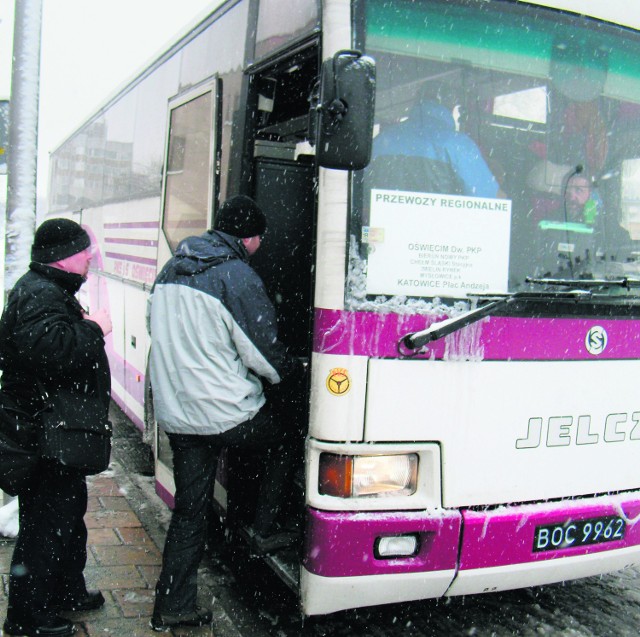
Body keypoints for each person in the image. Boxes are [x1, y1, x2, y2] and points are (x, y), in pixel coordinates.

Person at [147, 195, 305, 632]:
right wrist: (294, 372)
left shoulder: (171, 269)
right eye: (259, 239)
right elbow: (264, 357)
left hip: (179, 414)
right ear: (249, 238)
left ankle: (172, 605)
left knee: (189, 511)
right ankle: (260, 527)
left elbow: (154, 328)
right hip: (225, 414)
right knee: (286, 435)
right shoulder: (237, 276)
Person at [0, 218, 112, 637]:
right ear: (64, 257)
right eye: (85, 252)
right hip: (43, 436)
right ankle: (27, 619)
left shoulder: (46, 290)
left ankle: (66, 592)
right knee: (46, 527)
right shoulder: (40, 295)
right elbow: (51, 351)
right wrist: (93, 328)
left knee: (67, 516)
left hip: (55, 433)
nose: (90, 258)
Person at [369, 99, 501, 198]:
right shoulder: (458, 144)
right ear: (449, 106)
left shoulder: (382, 141)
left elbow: (362, 194)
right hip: (440, 232)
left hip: (384, 231)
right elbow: (488, 198)